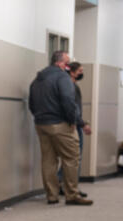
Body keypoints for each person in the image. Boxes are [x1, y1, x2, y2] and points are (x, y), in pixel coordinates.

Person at [28, 50, 93, 205]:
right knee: (71, 158)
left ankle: (52, 196)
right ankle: (72, 195)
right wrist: (73, 120)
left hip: (41, 124)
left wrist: (39, 117)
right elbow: (67, 100)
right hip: (60, 124)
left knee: (48, 160)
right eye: (67, 62)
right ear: (59, 63)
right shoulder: (62, 77)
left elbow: (31, 103)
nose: (69, 66)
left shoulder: (37, 79)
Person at [57, 61, 91, 198]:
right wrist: (82, 124)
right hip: (73, 125)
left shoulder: (71, 85)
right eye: (80, 71)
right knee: (75, 157)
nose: (81, 73)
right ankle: (71, 187)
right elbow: (73, 108)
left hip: (74, 123)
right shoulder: (70, 87)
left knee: (70, 158)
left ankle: (62, 183)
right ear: (72, 72)